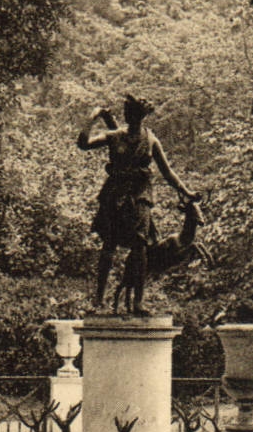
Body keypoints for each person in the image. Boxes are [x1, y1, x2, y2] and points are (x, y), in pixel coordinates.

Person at [77, 95, 199, 315]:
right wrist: (92, 117)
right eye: (128, 113)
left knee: (140, 246)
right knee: (109, 246)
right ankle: (98, 300)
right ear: (125, 115)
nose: (131, 117)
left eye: (135, 114)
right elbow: (83, 144)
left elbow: (167, 172)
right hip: (115, 196)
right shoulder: (114, 136)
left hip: (140, 196)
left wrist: (186, 191)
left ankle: (138, 303)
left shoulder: (150, 140)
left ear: (142, 116)